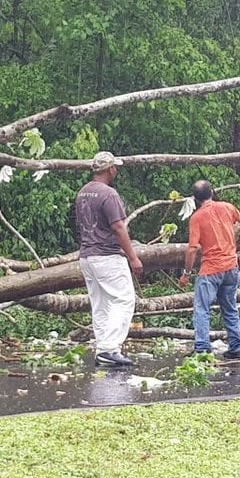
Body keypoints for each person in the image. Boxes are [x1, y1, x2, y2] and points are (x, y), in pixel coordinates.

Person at [75, 151, 144, 367]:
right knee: (124, 299)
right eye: (115, 167)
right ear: (110, 169)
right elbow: (118, 227)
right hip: (107, 255)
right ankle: (109, 348)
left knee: (101, 303)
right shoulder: (109, 194)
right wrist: (133, 257)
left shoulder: (83, 192)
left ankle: (103, 348)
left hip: (87, 255)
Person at [178, 180, 240, 359]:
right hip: (231, 267)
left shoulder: (196, 217)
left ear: (194, 198)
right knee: (230, 307)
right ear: (212, 191)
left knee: (202, 308)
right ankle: (236, 345)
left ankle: (202, 346)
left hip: (211, 269)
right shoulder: (226, 207)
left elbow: (193, 248)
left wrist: (186, 274)